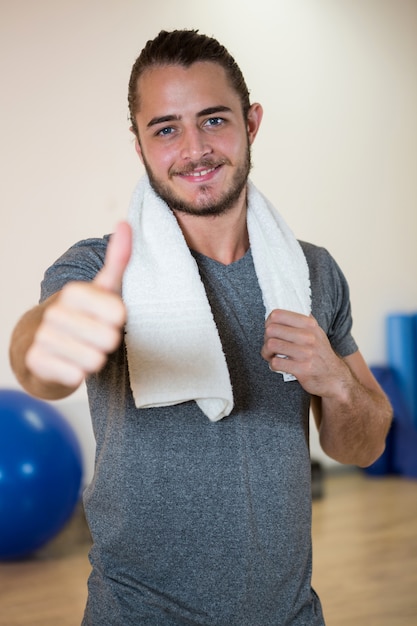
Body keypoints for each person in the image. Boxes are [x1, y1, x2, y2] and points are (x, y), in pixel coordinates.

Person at [9, 29, 392, 626]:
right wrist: (45, 347)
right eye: (165, 129)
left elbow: (362, 447)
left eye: (213, 120)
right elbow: (40, 357)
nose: (194, 148)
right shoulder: (97, 270)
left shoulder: (312, 272)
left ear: (252, 123)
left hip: (290, 614)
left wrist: (338, 383)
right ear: (139, 145)